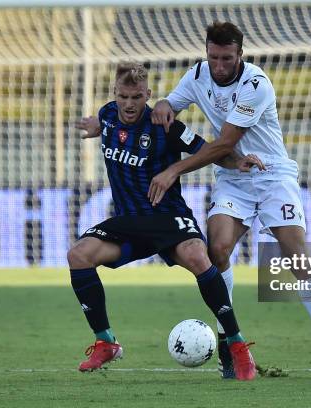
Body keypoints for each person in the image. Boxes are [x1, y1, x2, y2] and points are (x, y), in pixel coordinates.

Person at [150, 21, 311, 378]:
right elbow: (169, 104)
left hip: (272, 174)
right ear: (206, 53)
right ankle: (228, 346)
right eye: (214, 57)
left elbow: (224, 144)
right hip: (233, 178)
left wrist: (174, 170)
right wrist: (161, 103)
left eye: (227, 59)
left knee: (296, 255)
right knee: (216, 250)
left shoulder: (256, 84)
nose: (219, 66)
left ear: (241, 56)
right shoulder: (198, 74)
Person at [69, 62, 262, 380]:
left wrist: (238, 161)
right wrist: (95, 126)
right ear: (114, 94)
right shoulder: (107, 114)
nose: (129, 104)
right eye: (123, 96)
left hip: (168, 217)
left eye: (136, 97)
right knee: (78, 255)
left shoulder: (165, 125)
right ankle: (106, 342)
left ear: (148, 95)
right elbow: (105, 123)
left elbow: (206, 149)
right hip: (129, 222)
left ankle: (238, 346)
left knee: (200, 257)